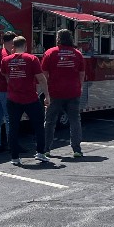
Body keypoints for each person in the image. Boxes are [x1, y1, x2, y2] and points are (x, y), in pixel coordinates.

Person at [1, 36, 50, 166]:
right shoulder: (32, 59)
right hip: (30, 98)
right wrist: (47, 96)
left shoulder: (6, 60)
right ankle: (40, 152)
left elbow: (6, 76)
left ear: (13, 47)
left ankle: (15, 157)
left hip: (13, 98)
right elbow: (41, 79)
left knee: (13, 127)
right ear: (26, 46)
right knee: (39, 125)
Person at [41, 29, 86, 159]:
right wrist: (80, 87)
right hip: (73, 92)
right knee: (74, 121)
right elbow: (81, 73)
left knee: (50, 121)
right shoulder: (77, 54)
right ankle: (77, 150)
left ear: (58, 39)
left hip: (55, 92)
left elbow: (43, 74)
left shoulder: (50, 53)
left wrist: (46, 93)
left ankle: (46, 149)